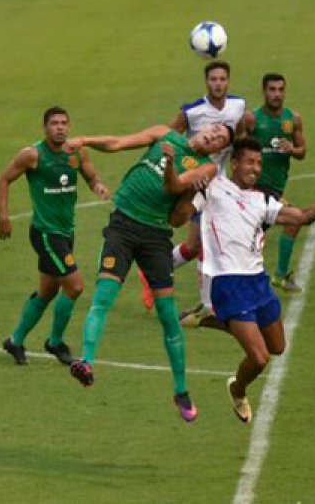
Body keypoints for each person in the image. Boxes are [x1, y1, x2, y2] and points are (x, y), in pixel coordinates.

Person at [64, 123, 233, 423]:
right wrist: (85, 138)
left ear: (217, 150)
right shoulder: (164, 134)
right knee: (103, 297)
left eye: (220, 139)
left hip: (155, 236)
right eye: (214, 129)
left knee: (168, 317)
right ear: (204, 127)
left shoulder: (206, 169)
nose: (214, 135)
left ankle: (181, 391)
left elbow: (174, 188)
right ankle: (86, 363)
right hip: (122, 226)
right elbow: (118, 140)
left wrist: (169, 162)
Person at [177, 138, 315, 423]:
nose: (255, 168)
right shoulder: (213, 187)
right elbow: (180, 214)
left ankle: (210, 318)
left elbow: (303, 217)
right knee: (259, 358)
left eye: (259, 163)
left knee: (277, 347)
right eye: (250, 162)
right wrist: (188, 194)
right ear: (235, 163)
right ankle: (237, 389)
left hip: (258, 282)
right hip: (228, 282)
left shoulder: (261, 200)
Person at [0, 107, 110, 366]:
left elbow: (91, 176)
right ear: (45, 128)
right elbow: (3, 180)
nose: (60, 127)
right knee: (75, 286)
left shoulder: (78, 152)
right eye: (54, 123)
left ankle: (15, 341)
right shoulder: (32, 155)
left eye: (64, 123)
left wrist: (98, 186)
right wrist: (4, 217)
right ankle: (55, 342)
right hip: (46, 234)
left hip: (66, 232)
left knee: (47, 291)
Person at [139, 60, 245, 311]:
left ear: (228, 81)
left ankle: (153, 273)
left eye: (222, 79)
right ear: (206, 82)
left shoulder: (238, 106)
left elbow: (239, 139)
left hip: (220, 187)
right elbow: (168, 138)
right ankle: (207, 306)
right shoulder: (192, 112)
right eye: (213, 79)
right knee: (206, 243)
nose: (218, 84)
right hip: (196, 186)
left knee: (198, 245)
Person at [244, 73, 307, 292]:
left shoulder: (293, 119)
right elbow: (238, 150)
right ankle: (274, 277)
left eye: (281, 90)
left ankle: (277, 276)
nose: (277, 94)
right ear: (264, 92)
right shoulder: (252, 119)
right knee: (294, 220)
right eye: (272, 90)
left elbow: (302, 152)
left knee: (250, 240)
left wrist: (292, 149)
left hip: (275, 188)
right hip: (256, 190)